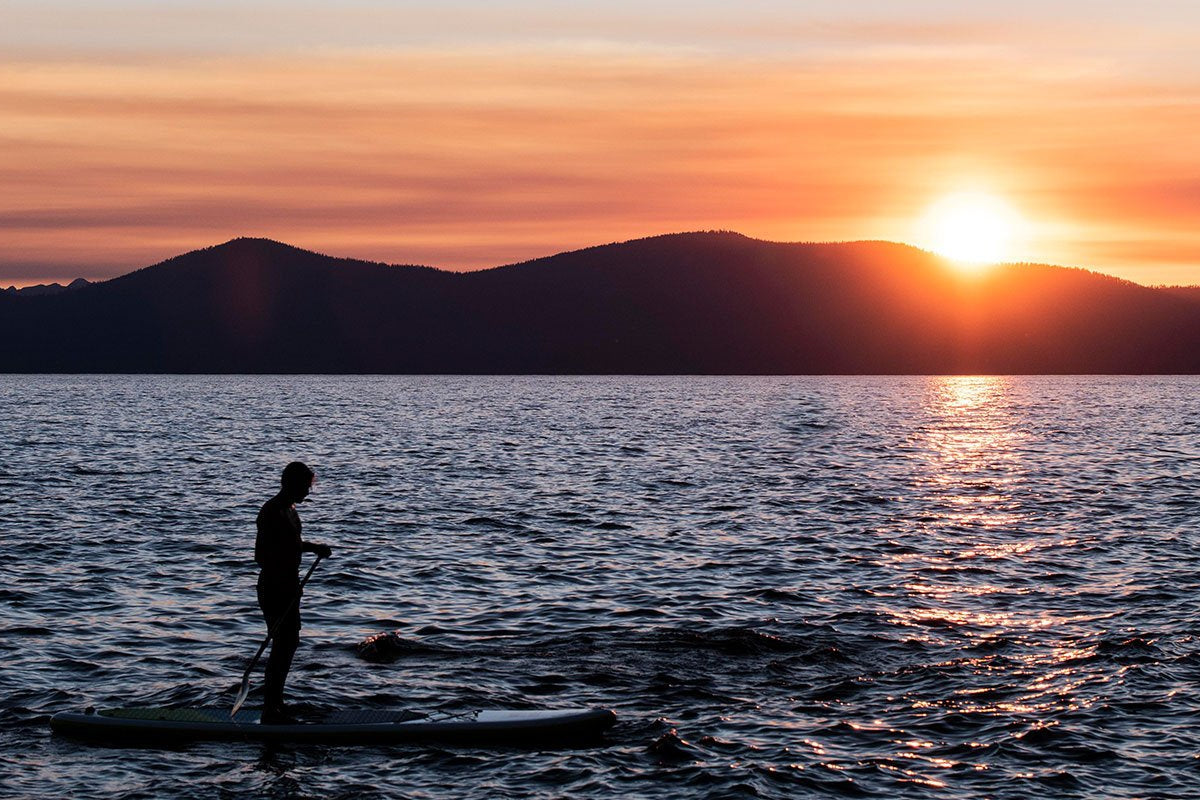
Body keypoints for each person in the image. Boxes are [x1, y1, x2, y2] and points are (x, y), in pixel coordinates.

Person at [255, 461, 332, 724]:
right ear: (290, 483)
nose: (308, 492)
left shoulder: (290, 509)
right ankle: (270, 709)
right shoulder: (272, 510)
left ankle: (277, 704)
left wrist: (313, 548)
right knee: (282, 645)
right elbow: (261, 555)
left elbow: (293, 544)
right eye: (305, 486)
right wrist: (284, 574)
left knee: (289, 644)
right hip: (275, 587)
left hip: (289, 586)